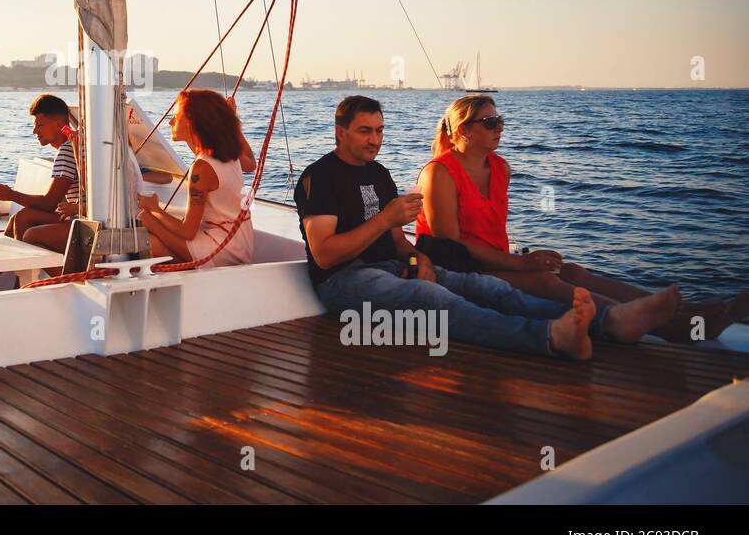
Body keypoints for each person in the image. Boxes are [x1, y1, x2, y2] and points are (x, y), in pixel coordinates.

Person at [295, 95, 681, 360]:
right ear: (340, 132)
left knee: (489, 288)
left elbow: (396, 239)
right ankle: (550, 338)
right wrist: (386, 219)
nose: (375, 140)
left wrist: (417, 257)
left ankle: (610, 322)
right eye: (365, 131)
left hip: (392, 267)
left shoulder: (378, 174)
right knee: (437, 302)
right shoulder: (320, 178)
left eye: (379, 131)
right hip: (344, 282)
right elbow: (325, 254)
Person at [417, 94, 747, 342]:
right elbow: (451, 244)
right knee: (545, 281)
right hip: (455, 267)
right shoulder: (439, 173)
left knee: (573, 271)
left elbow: (487, 228)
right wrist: (520, 264)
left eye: (500, 120)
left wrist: (517, 259)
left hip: (495, 259)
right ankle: (667, 326)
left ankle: (687, 312)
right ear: (462, 130)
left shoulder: (500, 167)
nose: (499, 128)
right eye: (489, 123)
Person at [135, 89, 256, 268]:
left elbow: (188, 231)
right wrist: (232, 121)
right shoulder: (227, 153)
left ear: (192, 123)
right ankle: (180, 260)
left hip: (224, 249)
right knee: (151, 232)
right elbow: (251, 163)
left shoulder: (202, 168)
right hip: (240, 244)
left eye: (176, 117)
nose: (170, 121)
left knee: (147, 220)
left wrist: (155, 209)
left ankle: (184, 262)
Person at [0, 93, 80, 254]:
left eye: (40, 125)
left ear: (58, 124)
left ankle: (43, 278)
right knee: (21, 217)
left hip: (81, 220)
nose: (34, 131)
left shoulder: (67, 150)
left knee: (28, 228)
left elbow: (49, 203)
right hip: (75, 216)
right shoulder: (70, 147)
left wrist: (10, 194)